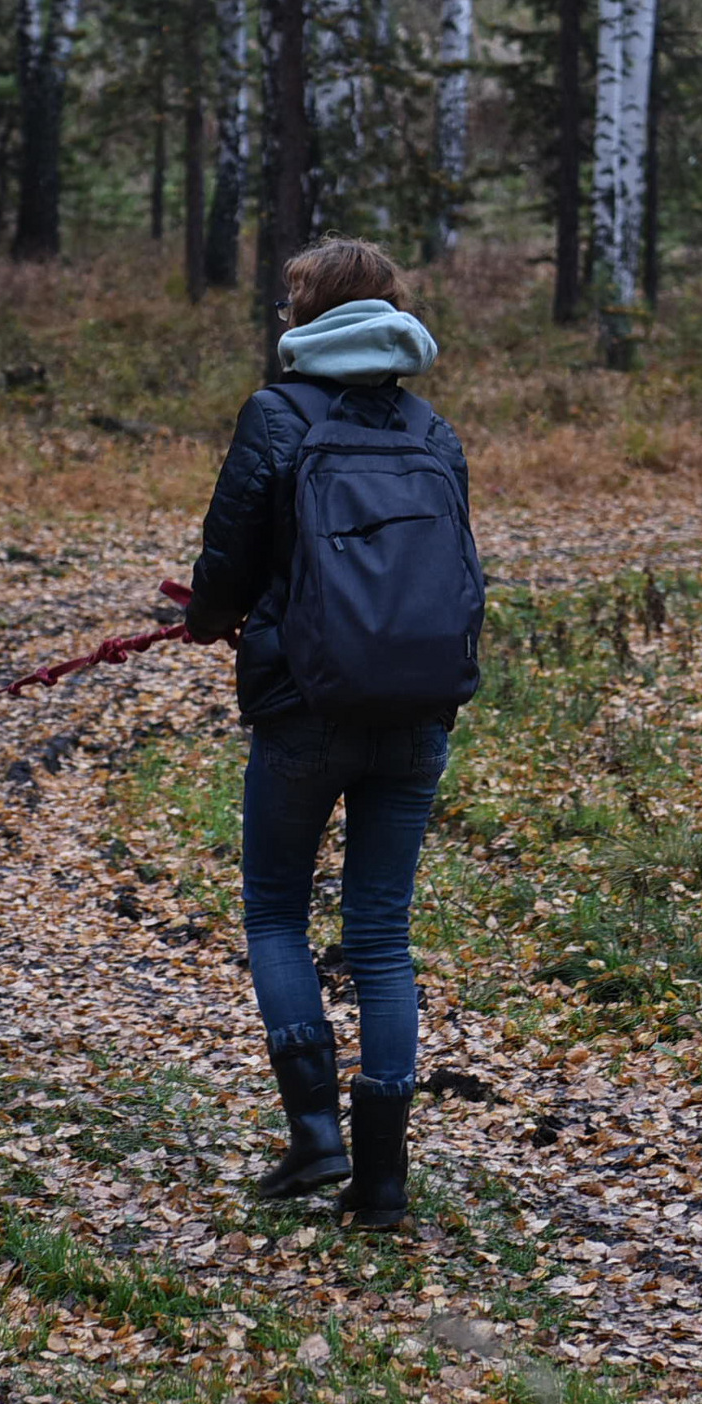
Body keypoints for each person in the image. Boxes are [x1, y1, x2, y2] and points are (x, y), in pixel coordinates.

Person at [184, 238, 478, 1227]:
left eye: (288, 301)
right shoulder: (433, 431)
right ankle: (384, 1181)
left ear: (307, 317)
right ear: (392, 313)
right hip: (415, 713)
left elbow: (225, 563)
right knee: (382, 937)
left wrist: (209, 615)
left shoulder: (276, 415)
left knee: (275, 911)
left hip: (302, 704)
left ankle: (314, 1133)